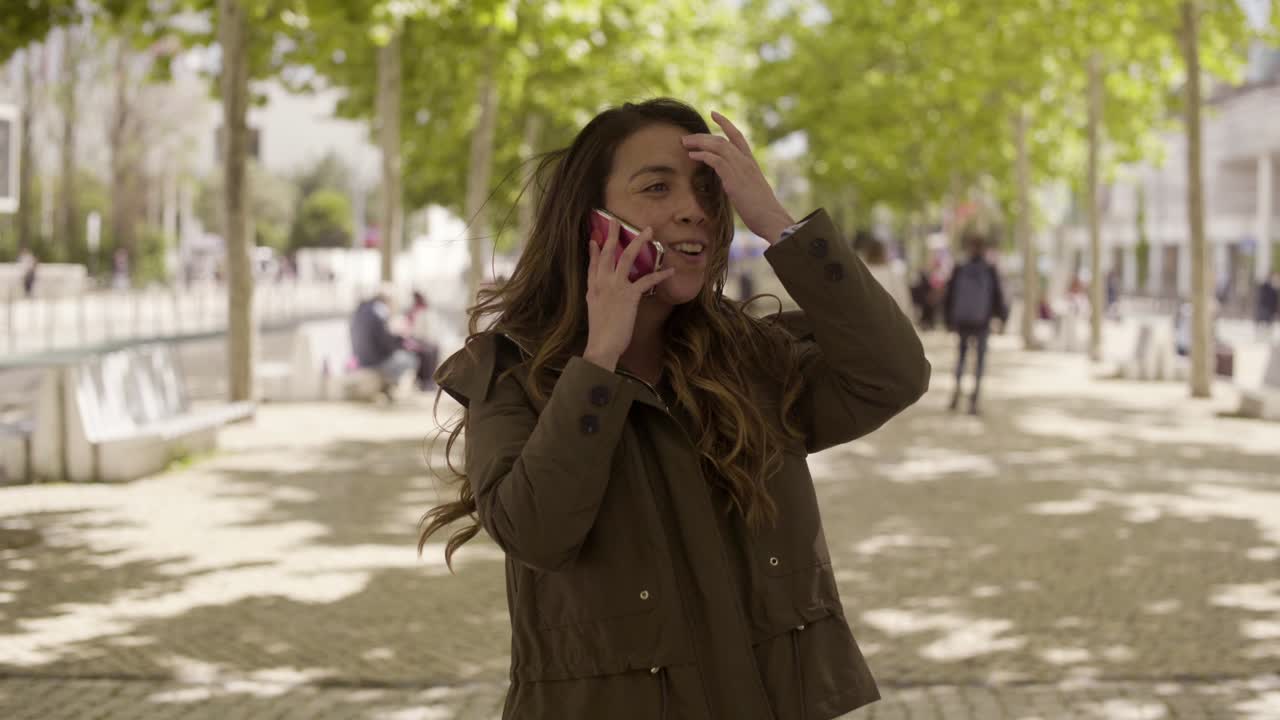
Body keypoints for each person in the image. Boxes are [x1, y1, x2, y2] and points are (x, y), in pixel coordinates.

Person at [416, 99, 929, 720]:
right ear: (591, 221)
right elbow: (535, 532)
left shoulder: (751, 356)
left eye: (709, 191)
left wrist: (778, 223)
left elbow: (893, 375)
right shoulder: (510, 371)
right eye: (657, 187)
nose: (694, 209)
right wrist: (598, 358)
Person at [944, 230, 1009, 415]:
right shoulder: (989, 269)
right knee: (979, 361)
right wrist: (1002, 318)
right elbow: (998, 296)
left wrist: (949, 320)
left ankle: (956, 394)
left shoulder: (960, 268)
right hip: (982, 322)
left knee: (961, 358)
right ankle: (974, 400)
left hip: (962, 321)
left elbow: (950, 295)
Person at [349, 285, 420, 396]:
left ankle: (387, 386)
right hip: (375, 360)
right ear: (387, 300)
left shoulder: (361, 310)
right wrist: (400, 342)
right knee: (411, 359)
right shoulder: (379, 310)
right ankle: (389, 387)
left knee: (401, 356)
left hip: (360, 358)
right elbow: (384, 343)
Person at [861, 238, 913, 319]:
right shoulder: (894, 275)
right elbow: (905, 305)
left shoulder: (861, 276)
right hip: (890, 325)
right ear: (883, 254)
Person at [404, 290, 440, 391]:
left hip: (421, 339)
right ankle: (425, 381)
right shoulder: (411, 312)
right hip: (413, 340)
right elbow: (410, 330)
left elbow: (427, 329)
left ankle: (430, 380)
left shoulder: (423, 311)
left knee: (433, 349)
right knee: (426, 352)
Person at [1256, 272, 1278, 340]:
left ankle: (1266, 336)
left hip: (1271, 308)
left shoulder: (1275, 288)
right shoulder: (1265, 286)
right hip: (1265, 307)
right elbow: (1262, 297)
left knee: (1269, 323)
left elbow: (1275, 300)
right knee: (1262, 322)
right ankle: (1260, 336)